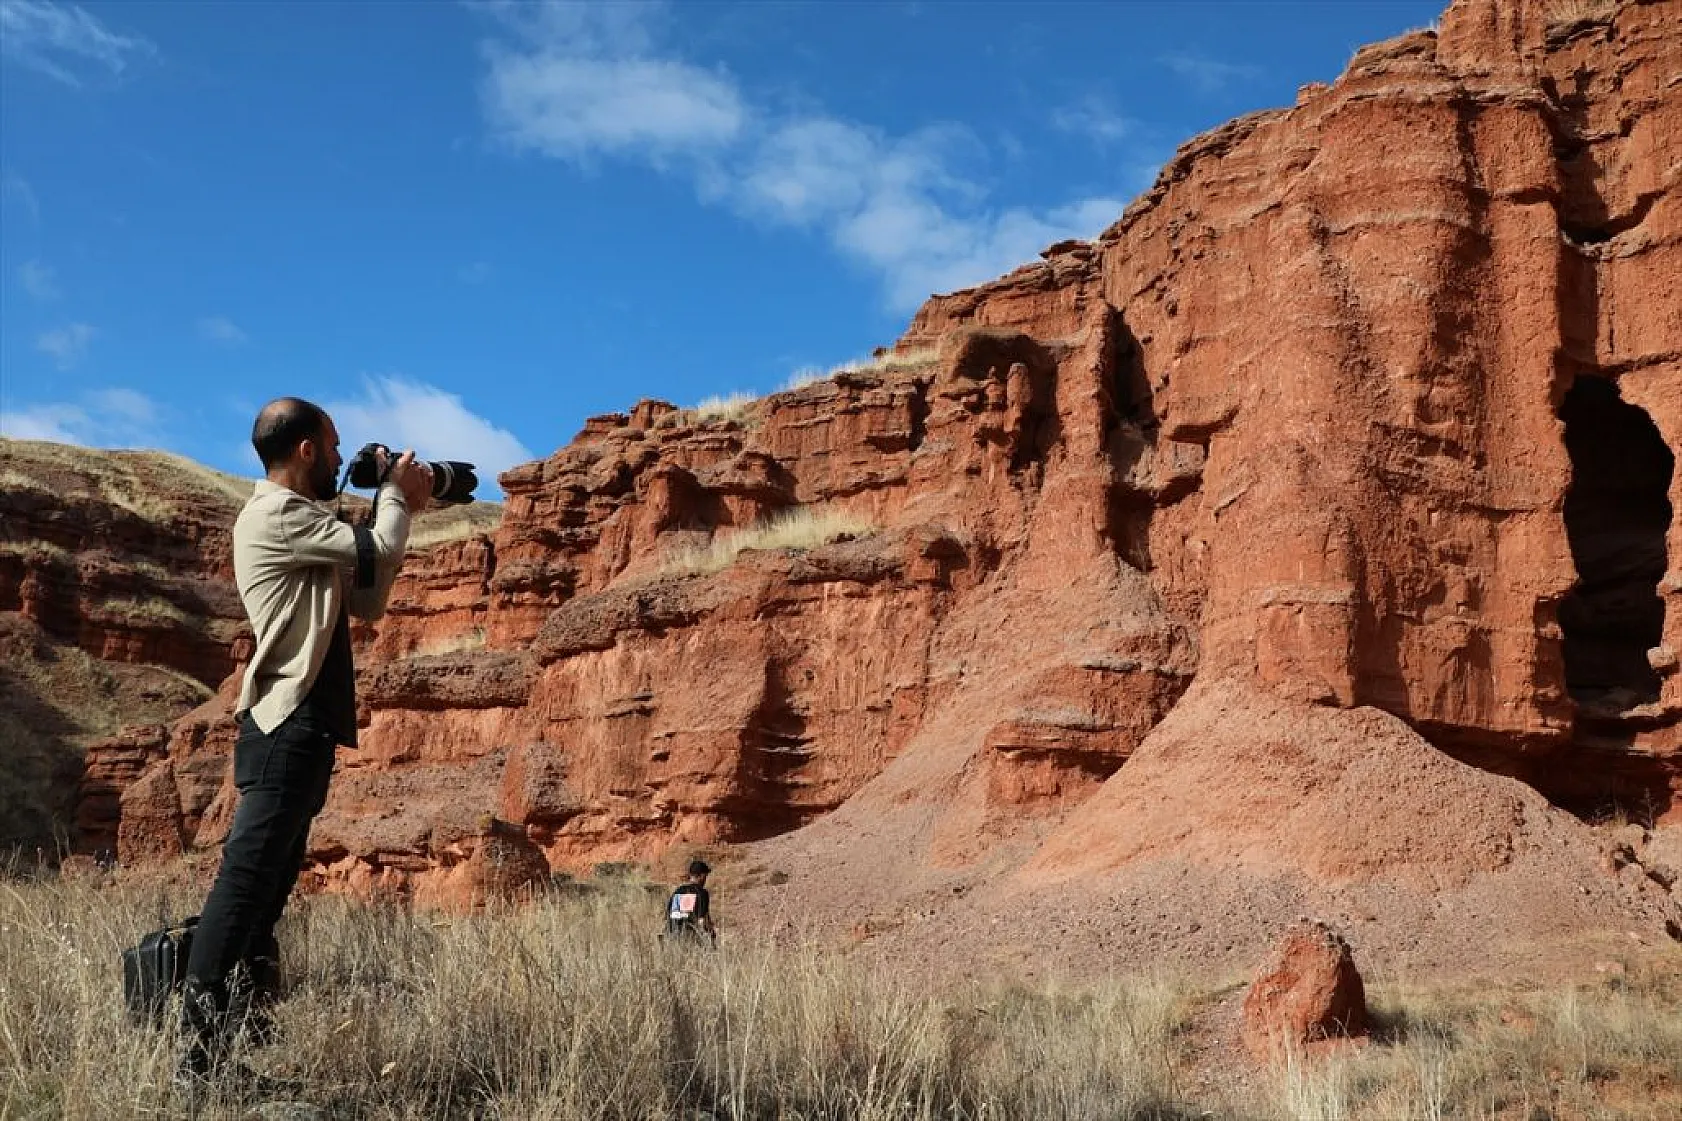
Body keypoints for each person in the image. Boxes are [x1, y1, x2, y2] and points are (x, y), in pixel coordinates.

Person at [178, 398, 431, 1083]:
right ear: (308, 449)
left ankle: (232, 1055)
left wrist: (390, 498)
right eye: (336, 441)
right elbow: (377, 544)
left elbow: (369, 596)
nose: (343, 452)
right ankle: (195, 1062)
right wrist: (392, 494)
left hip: (304, 727)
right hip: (283, 724)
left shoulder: (306, 525)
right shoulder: (274, 514)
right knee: (244, 886)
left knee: (264, 893)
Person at [664, 859, 718, 946]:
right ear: (702, 876)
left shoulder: (677, 891)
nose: (705, 880)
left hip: (670, 937)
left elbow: (668, 916)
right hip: (689, 941)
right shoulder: (702, 893)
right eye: (705, 876)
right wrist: (712, 936)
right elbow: (703, 920)